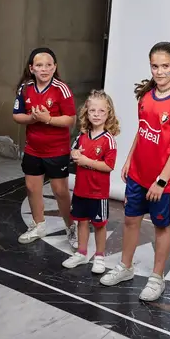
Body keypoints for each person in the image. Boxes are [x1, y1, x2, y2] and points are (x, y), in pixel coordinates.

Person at [99, 41, 170, 302]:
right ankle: (125, 267)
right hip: (138, 176)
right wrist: (129, 159)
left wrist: (161, 181)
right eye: (155, 66)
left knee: (161, 226)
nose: (160, 72)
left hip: (163, 182)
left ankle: (157, 278)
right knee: (130, 220)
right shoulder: (147, 96)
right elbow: (143, 131)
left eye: (165, 66)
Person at [13, 47, 78, 248]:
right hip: (33, 149)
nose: (44, 69)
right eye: (39, 65)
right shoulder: (25, 88)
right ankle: (38, 225)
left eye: (48, 65)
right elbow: (17, 116)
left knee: (60, 191)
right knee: (33, 188)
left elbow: (71, 120)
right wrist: (33, 118)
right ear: (31, 68)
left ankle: (71, 227)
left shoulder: (61, 89)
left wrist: (48, 119)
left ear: (54, 67)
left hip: (57, 151)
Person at [62, 89, 120, 274]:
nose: (96, 114)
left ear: (108, 113)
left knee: (100, 224)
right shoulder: (82, 135)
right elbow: (73, 151)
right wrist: (75, 153)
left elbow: (109, 166)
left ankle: (100, 256)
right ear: (86, 112)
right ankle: (81, 252)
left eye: (101, 111)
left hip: (98, 192)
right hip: (81, 190)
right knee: (81, 222)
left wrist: (87, 161)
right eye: (92, 110)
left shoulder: (108, 140)